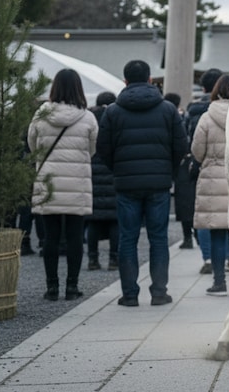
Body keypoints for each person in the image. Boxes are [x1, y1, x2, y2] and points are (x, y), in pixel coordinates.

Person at [98, 59, 187, 307]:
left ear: (124, 81)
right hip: (158, 183)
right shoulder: (168, 109)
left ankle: (129, 294)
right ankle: (159, 292)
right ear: (150, 80)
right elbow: (181, 146)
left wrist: (118, 169)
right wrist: (167, 170)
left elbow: (102, 149)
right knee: (158, 238)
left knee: (128, 238)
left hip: (126, 183)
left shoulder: (113, 111)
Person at [28, 69, 99, 301]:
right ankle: (71, 286)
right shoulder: (87, 117)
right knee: (75, 236)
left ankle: (51, 288)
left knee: (50, 237)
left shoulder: (41, 115)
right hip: (76, 180)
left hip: (47, 180)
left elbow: (32, 145)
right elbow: (92, 150)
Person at [191, 74, 229, 295]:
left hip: (212, 177)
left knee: (217, 232)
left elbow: (197, 152)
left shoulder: (207, 118)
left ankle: (219, 282)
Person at [182, 68, 223, 272]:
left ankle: (208, 258)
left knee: (208, 215)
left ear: (205, 87)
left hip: (208, 168)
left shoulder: (196, 110)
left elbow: (193, 144)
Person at [87, 91, 119, 271]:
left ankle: (93, 259)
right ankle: (114, 259)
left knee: (93, 220)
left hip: (92, 173)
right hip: (113, 172)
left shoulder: (90, 118)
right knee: (115, 220)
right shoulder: (116, 117)